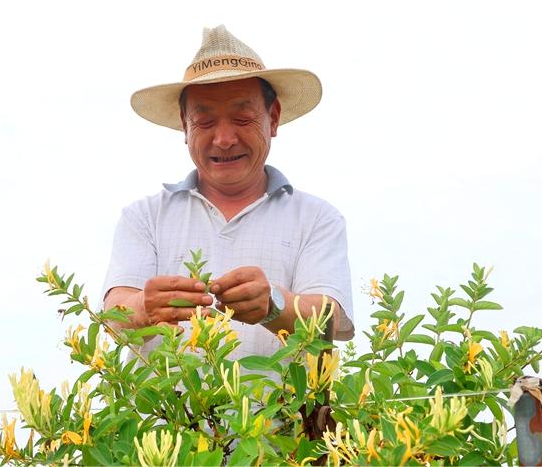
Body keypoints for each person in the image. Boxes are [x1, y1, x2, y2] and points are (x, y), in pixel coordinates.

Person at [102, 25, 354, 360]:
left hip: (284, 413)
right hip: (164, 414)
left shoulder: (316, 217)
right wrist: (144, 306)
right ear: (185, 125)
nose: (223, 139)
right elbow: (112, 316)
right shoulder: (145, 216)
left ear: (273, 118)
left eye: (242, 117)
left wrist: (273, 303)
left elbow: (331, 319)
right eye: (204, 122)